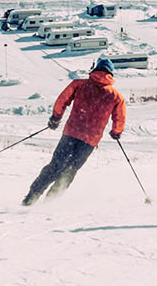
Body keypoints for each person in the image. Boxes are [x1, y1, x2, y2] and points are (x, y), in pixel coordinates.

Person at [23, 57, 127, 206]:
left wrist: (56, 118)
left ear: (95, 69)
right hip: (90, 140)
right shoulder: (116, 96)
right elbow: (120, 117)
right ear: (111, 74)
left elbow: (62, 100)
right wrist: (116, 132)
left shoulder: (79, 85)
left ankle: (31, 198)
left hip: (71, 133)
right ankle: (50, 202)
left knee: (56, 165)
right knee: (70, 170)